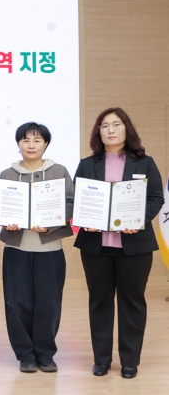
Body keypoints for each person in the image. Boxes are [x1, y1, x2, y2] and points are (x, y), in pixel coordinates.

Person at [74, 107, 164, 379]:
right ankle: (101, 360)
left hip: (135, 247)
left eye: (116, 124)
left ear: (127, 129)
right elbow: (79, 199)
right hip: (95, 246)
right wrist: (84, 219)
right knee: (99, 302)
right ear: (98, 132)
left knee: (132, 303)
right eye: (104, 125)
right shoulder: (87, 164)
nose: (110, 130)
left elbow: (156, 198)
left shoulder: (145, 162)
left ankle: (130, 362)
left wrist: (138, 219)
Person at [0, 122, 74, 373]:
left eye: (37, 140)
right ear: (18, 144)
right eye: (26, 140)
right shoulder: (7, 175)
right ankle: (25, 355)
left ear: (46, 144)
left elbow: (71, 202)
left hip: (49, 250)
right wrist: (7, 221)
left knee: (48, 304)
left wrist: (51, 224)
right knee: (17, 303)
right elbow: (0, 207)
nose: (31, 145)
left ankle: (45, 354)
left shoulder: (59, 171)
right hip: (16, 249)